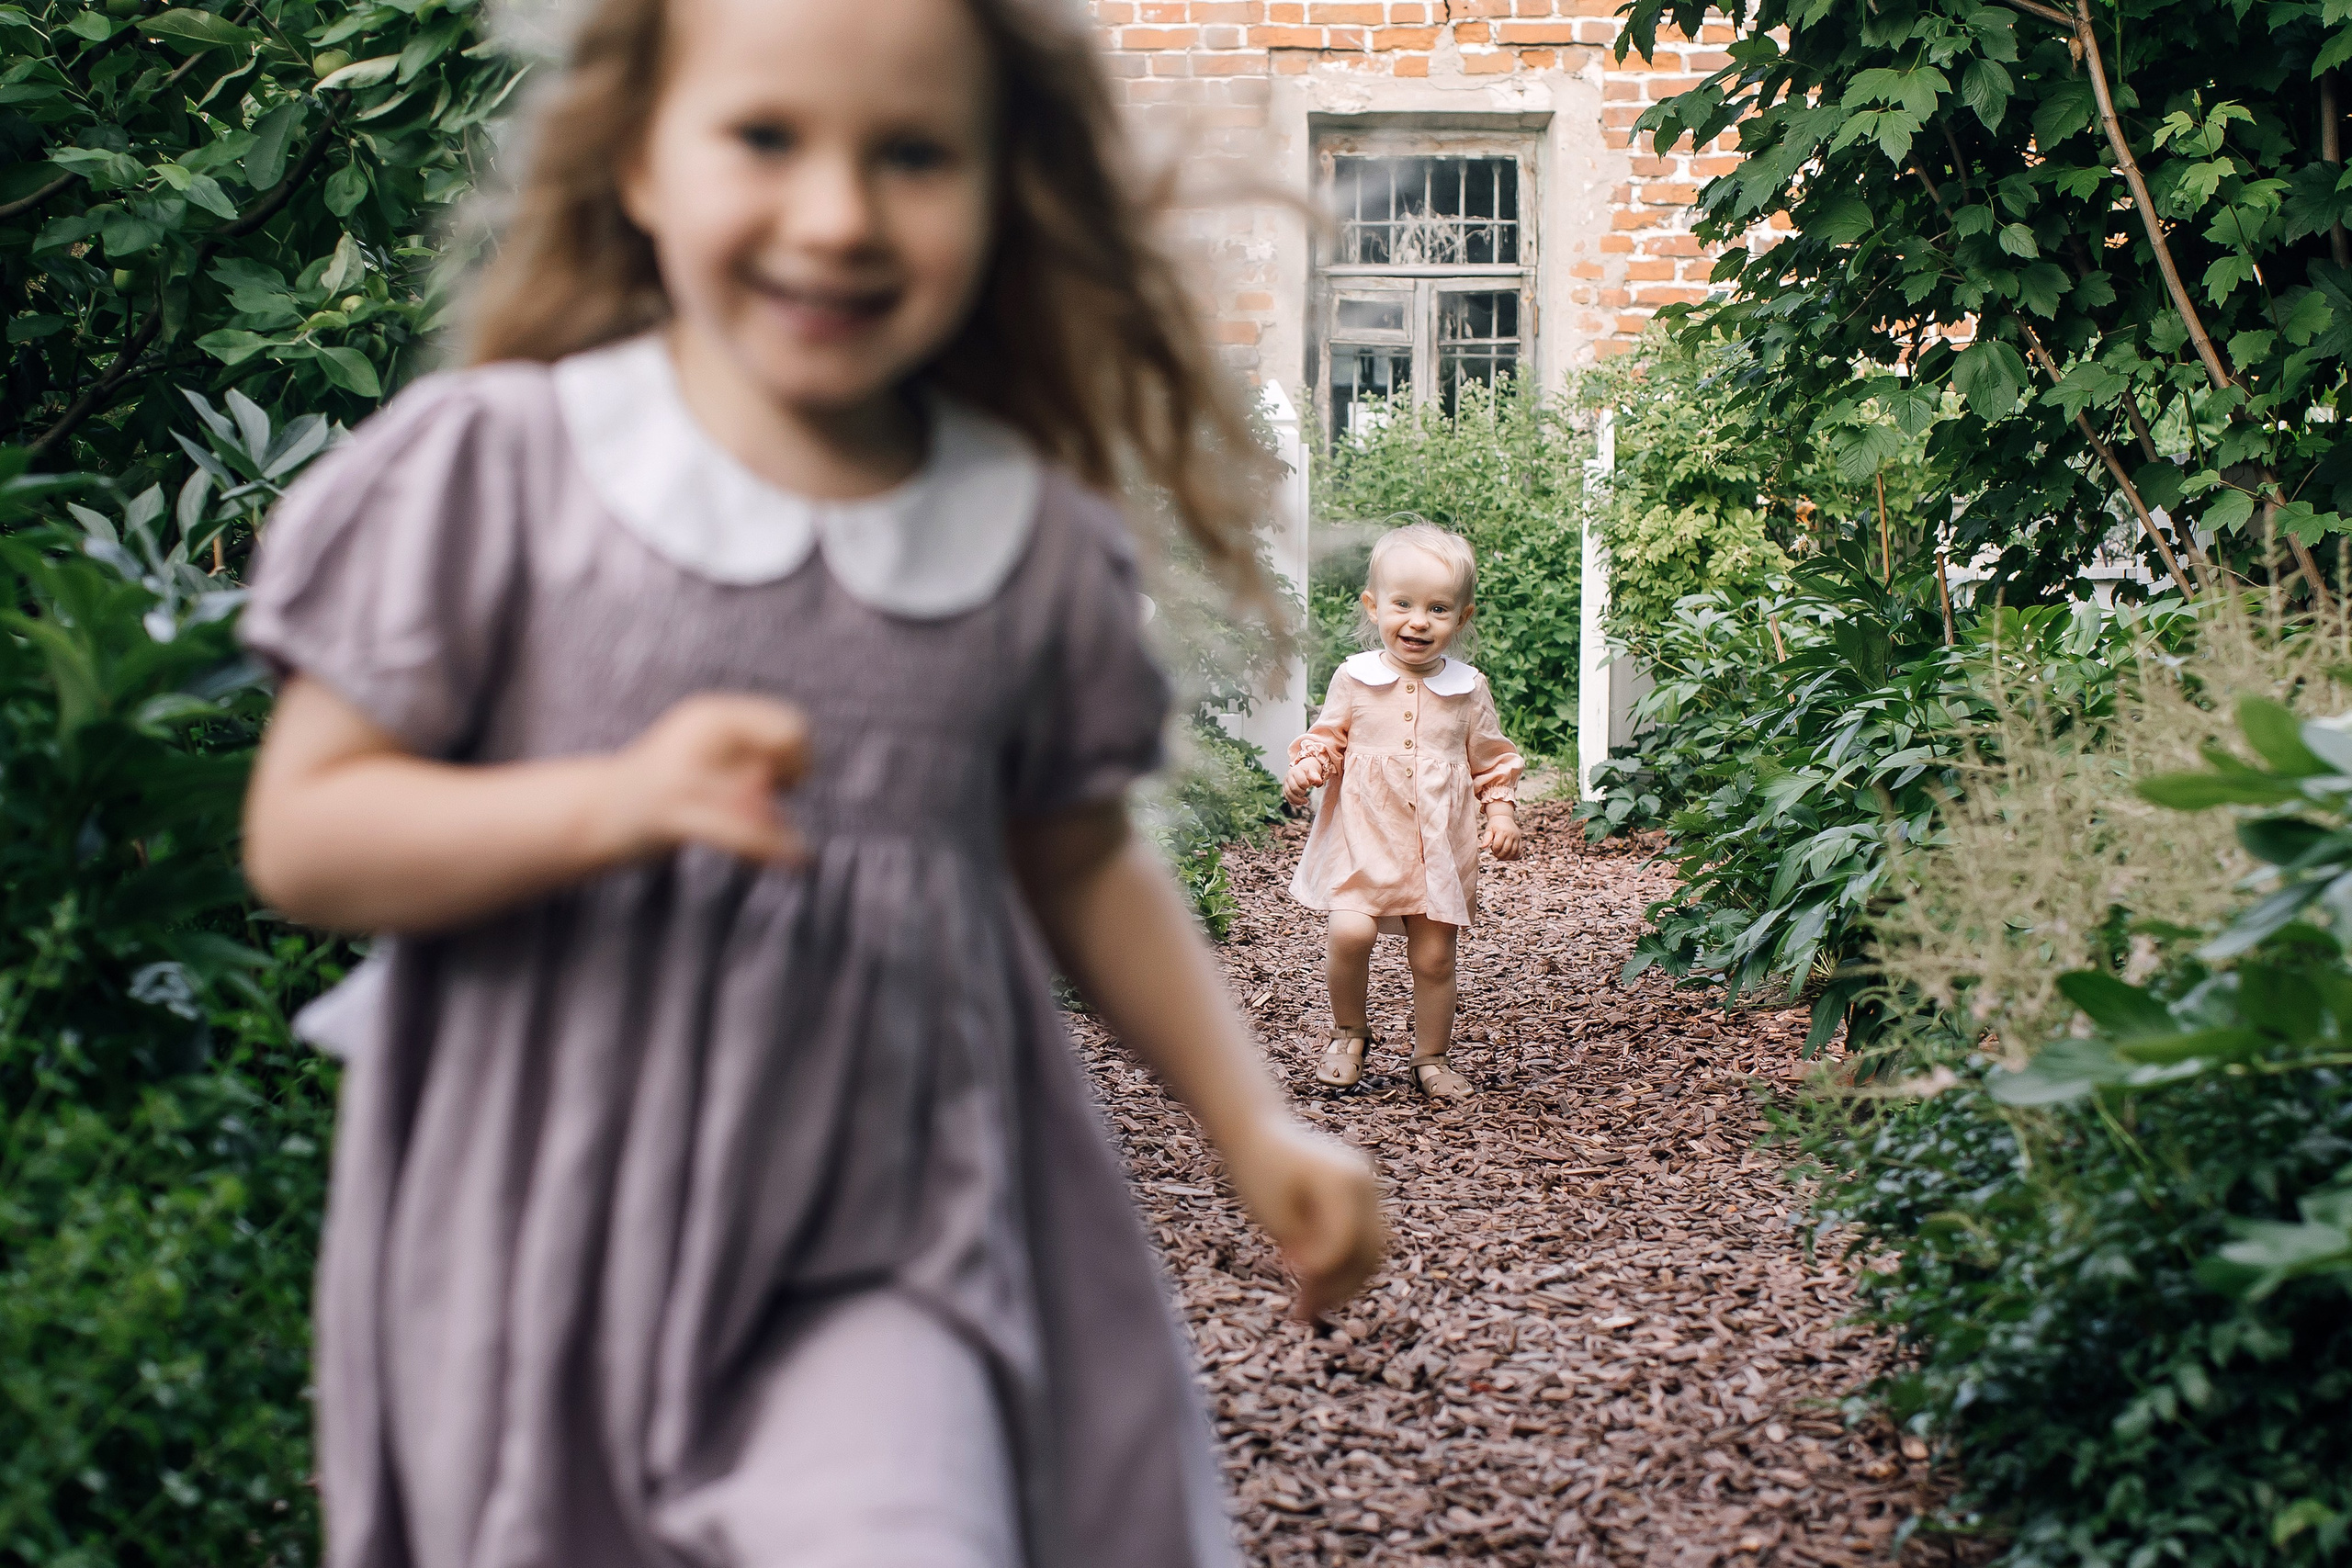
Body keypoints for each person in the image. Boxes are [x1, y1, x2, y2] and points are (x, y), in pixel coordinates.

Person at [236, 0, 1385, 1563]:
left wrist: (1254, 1125)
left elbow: (1076, 857)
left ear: (1003, 188)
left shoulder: (1023, 542)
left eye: (913, 155)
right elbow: (307, 833)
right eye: (765, 137)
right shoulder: (498, 470)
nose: (837, 216)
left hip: (890, 1229)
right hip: (542, 1238)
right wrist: (609, 805)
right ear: (641, 159)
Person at [1282, 523, 1526, 1102]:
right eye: (1403, 605)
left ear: (1461, 618)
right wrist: (1309, 765)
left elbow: (1491, 759)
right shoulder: (1355, 678)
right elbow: (1327, 737)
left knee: (1435, 956)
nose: (1419, 621)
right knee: (1349, 931)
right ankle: (1349, 1032)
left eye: (1437, 609)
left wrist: (1501, 814)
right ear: (1374, 607)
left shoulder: (1468, 689)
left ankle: (1431, 1055)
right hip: (1363, 837)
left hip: (1437, 847)